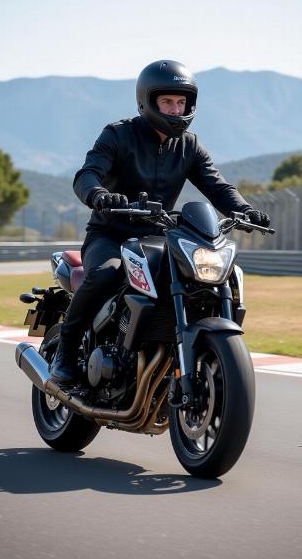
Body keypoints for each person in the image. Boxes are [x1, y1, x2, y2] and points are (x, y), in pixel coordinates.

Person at [49, 59, 270, 385]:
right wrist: (98, 194)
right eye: (167, 101)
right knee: (107, 273)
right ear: (147, 101)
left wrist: (243, 209)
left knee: (202, 280)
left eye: (182, 102)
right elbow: (88, 174)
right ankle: (66, 352)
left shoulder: (189, 145)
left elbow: (217, 186)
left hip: (158, 237)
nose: (176, 109)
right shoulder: (118, 135)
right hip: (111, 233)